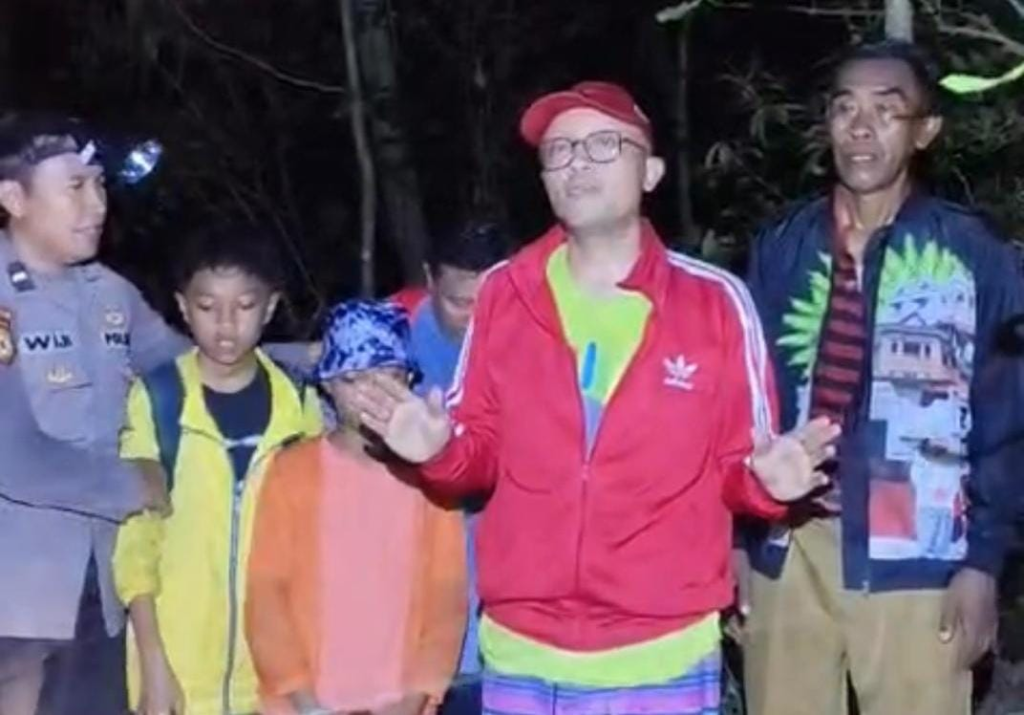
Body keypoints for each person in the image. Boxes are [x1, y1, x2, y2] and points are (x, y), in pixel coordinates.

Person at [352, 81, 838, 715]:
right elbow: (477, 454)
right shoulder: (504, 292)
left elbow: (740, 466)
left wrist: (767, 486)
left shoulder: (714, 302)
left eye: (603, 144)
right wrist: (437, 452)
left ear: (651, 172)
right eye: (559, 151)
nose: (577, 162)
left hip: (662, 652)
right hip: (523, 651)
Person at [742, 40, 1024, 715]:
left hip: (918, 554)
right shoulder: (783, 246)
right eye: (845, 109)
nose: (861, 128)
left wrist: (983, 563)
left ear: (925, 131)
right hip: (790, 543)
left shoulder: (973, 255)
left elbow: (1007, 417)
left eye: (886, 111)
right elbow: (744, 401)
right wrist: (736, 542)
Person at [0, 112, 185, 715]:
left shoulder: (110, 293)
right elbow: (12, 456)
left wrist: (321, 365)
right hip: (16, 597)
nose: (98, 205)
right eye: (75, 187)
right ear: (14, 199)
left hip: (101, 587)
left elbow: (197, 365)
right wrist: (136, 484)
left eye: (101, 184)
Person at [112, 227, 323, 715]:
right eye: (207, 307)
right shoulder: (158, 400)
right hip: (178, 671)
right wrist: (152, 664)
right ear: (183, 308)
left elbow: (312, 544)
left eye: (245, 306)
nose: (226, 325)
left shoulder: (298, 406)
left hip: (272, 676)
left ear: (269, 308)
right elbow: (135, 543)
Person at [247, 299, 467, 715]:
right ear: (328, 384)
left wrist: (415, 698)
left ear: (409, 380)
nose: (371, 395)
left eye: (389, 378)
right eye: (354, 379)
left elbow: (446, 597)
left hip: (401, 705)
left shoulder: (431, 479)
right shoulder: (292, 471)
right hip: (304, 706)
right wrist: (303, 700)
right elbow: (266, 595)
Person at [394, 220, 510, 715]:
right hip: (414, 562)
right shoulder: (392, 341)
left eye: (489, 302)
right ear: (429, 279)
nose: (475, 318)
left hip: (499, 566)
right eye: (460, 302)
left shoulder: (530, 337)